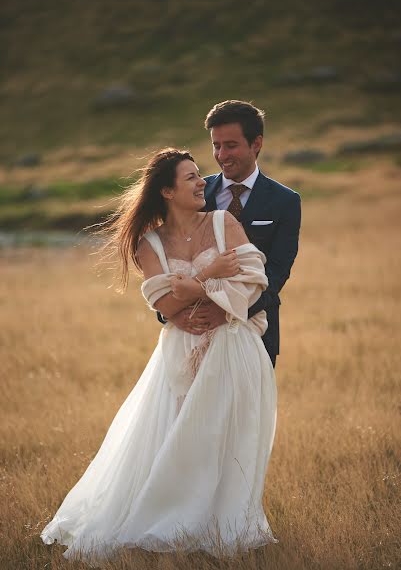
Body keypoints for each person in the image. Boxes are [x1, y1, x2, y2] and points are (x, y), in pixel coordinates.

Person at [40, 148, 278, 564]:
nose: (203, 181)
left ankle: (223, 528)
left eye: (199, 175)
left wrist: (204, 297)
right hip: (180, 352)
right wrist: (208, 275)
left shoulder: (225, 223)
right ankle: (171, 522)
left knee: (227, 438)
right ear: (167, 190)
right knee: (178, 435)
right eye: (191, 177)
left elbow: (255, 281)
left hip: (232, 345)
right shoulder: (149, 243)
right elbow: (166, 305)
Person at [167, 100, 301, 367]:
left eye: (231, 145)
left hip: (256, 331)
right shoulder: (195, 192)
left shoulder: (285, 201)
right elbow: (169, 259)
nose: (221, 154)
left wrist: (229, 312)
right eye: (216, 145)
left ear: (257, 143)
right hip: (192, 332)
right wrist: (171, 315)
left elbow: (276, 273)